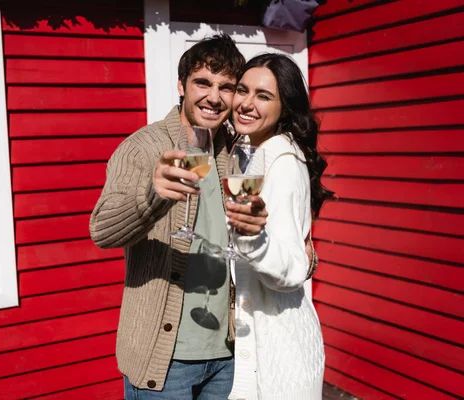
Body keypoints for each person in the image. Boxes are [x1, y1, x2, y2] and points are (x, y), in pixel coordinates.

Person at [90, 34, 268, 399]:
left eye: (226, 87)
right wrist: (152, 197)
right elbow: (102, 230)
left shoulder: (231, 153)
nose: (214, 97)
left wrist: (255, 228)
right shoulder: (143, 147)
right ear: (181, 86)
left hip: (223, 353)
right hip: (165, 359)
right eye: (202, 82)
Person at [225, 53, 334, 400]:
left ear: (285, 108)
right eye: (243, 90)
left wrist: (252, 238)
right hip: (265, 344)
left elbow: (289, 269)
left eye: (263, 96)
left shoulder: (281, 160)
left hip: (276, 356)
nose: (246, 103)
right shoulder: (249, 153)